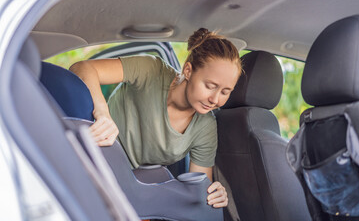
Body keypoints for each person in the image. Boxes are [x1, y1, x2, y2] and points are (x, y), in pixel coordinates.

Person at [70, 28, 243, 209]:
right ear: (189, 70)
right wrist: (102, 113)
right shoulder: (151, 70)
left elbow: (198, 188)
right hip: (93, 160)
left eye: (225, 92)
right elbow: (82, 68)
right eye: (210, 86)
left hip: (132, 190)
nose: (215, 100)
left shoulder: (206, 127)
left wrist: (215, 194)